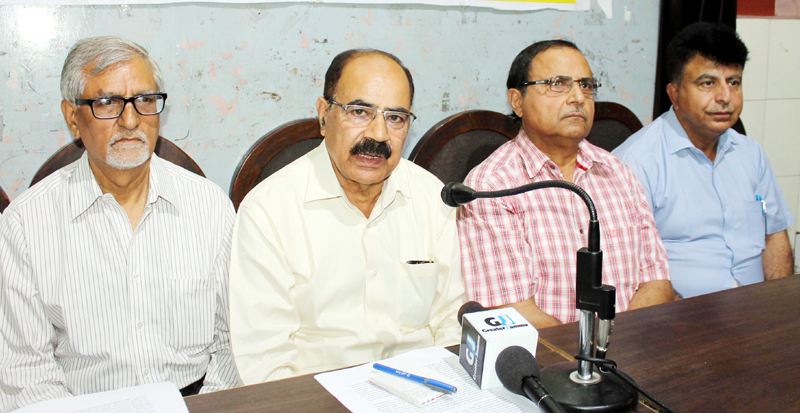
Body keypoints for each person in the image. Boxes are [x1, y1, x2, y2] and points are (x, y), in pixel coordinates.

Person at [0, 36, 239, 411]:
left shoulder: (210, 207)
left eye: (145, 100)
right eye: (107, 103)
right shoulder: (25, 224)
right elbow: (25, 372)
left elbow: (235, 341)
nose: (131, 120)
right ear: (73, 117)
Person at [229, 49, 465, 384]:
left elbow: (451, 321)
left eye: (395, 118)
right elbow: (264, 360)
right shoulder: (268, 211)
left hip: (423, 388)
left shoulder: (431, 196)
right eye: (359, 112)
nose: (379, 135)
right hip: (318, 396)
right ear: (324, 115)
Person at [458, 40, 674, 329]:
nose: (578, 97)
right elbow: (511, 310)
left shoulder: (617, 172)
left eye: (586, 85)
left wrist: (620, 344)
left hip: (634, 342)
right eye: (558, 84)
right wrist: (590, 351)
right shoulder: (493, 185)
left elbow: (656, 280)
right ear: (517, 101)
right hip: (552, 353)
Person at [613, 23, 794, 298]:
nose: (725, 97)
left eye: (734, 82)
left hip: (757, 308)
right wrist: (682, 318)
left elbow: (774, 235)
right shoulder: (635, 163)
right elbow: (626, 267)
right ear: (674, 94)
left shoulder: (750, 153)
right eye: (708, 83)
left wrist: (777, 304)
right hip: (682, 314)